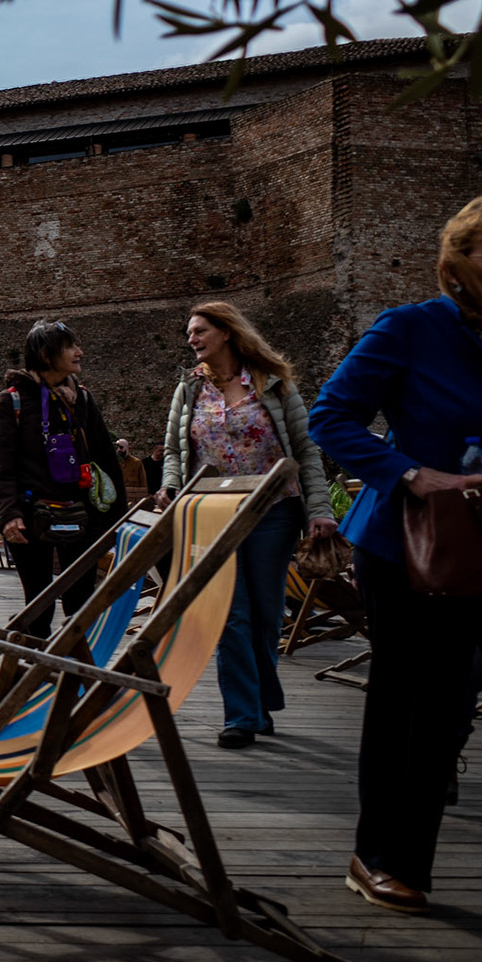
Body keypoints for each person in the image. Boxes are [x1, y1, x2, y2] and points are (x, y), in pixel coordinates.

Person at [307, 191, 482, 914]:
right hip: (416, 548)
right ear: (459, 264)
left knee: (443, 705)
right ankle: (385, 859)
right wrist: (413, 473)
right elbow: (331, 417)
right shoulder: (413, 328)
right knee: (419, 706)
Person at [160, 301, 336, 749]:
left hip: (274, 511)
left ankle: (260, 701)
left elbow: (305, 450)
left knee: (267, 613)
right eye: (189, 332)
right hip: (211, 513)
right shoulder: (189, 388)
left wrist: (321, 509)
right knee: (230, 613)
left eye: (200, 331)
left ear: (227, 332)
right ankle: (241, 714)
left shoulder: (273, 383)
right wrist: (171, 485)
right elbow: (176, 450)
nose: (191, 339)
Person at [0, 320, 128, 636]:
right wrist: (8, 515)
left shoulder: (83, 399)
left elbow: (106, 459)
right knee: (38, 604)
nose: (79, 352)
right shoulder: (13, 400)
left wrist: (116, 521)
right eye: (70, 347)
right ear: (46, 355)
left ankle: (76, 664)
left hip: (81, 516)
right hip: (29, 517)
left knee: (80, 602)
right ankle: (36, 664)